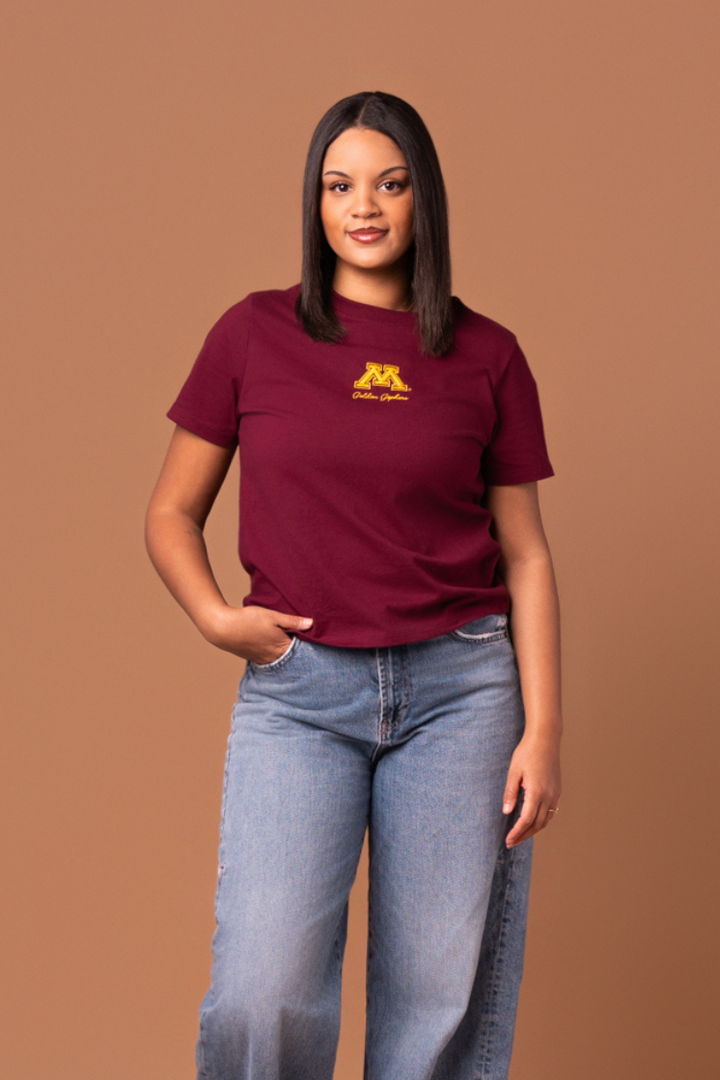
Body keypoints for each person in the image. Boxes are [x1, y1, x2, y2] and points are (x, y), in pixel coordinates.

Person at [145, 90, 562, 1080]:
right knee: (264, 989)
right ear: (314, 202)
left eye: (388, 182)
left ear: (424, 201)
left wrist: (543, 729)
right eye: (339, 185)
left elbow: (530, 556)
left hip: (463, 697)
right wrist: (216, 617)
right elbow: (170, 513)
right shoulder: (252, 334)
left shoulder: (487, 355)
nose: (362, 206)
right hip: (301, 694)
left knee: (438, 1006)